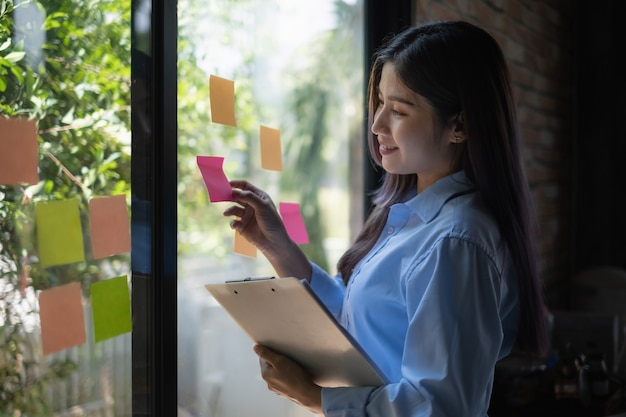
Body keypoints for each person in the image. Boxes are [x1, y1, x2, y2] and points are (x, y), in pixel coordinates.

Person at [223, 20, 548, 417]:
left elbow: (442, 407)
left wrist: (317, 398)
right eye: (379, 103)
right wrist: (277, 247)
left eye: (398, 110)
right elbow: (358, 318)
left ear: (459, 125)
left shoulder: (456, 241)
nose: (376, 125)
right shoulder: (411, 215)